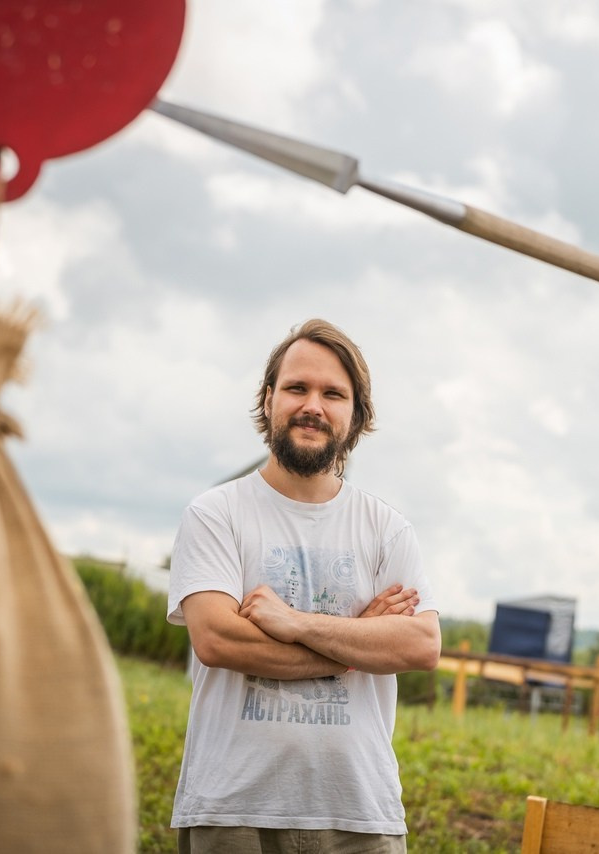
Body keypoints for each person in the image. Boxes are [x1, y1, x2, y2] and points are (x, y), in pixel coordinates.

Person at [166, 318, 441, 854]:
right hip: (232, 813)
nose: (313, 405)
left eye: (333, 394)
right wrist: (357, 644)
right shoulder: (215, 514)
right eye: (297, 388)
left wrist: (294, 623)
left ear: (356, 414)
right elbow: (219, 641)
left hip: (360, 817)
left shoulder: (386, 529)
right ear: (268, 399)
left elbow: (421, 645)